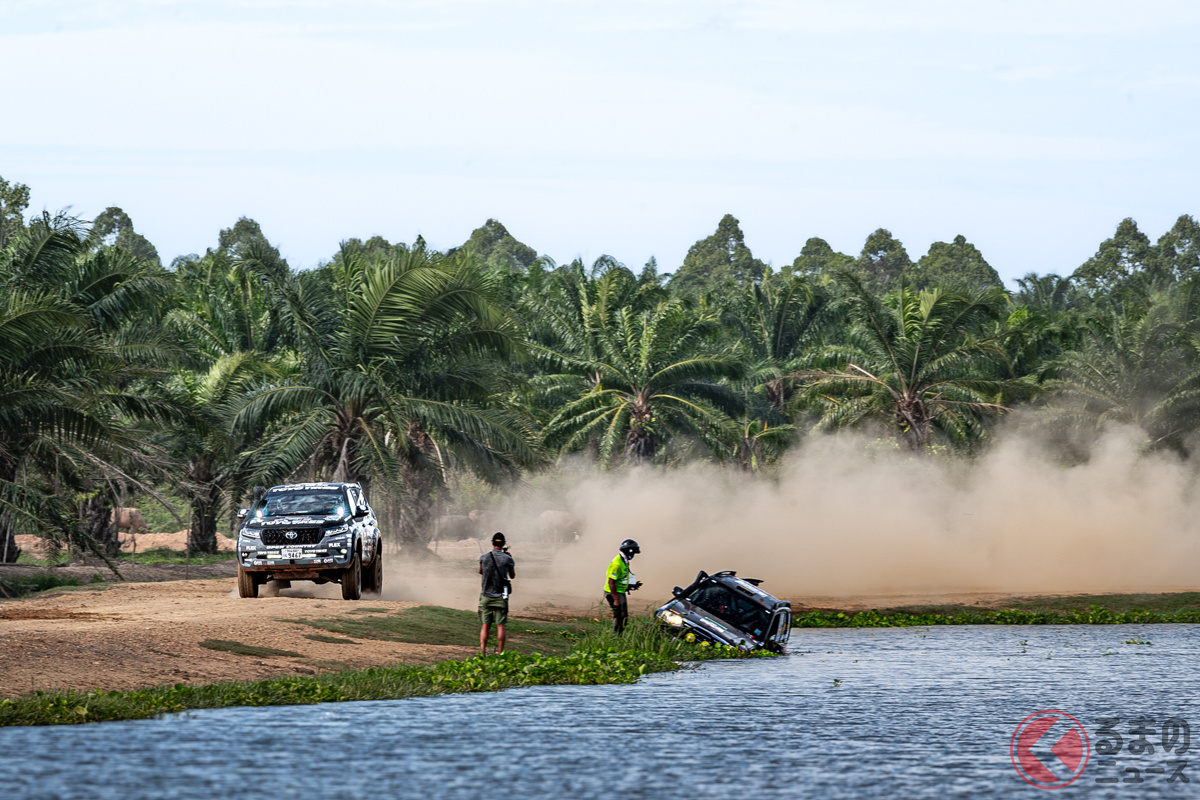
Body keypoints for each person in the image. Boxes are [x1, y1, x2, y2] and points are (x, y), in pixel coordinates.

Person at [478, 532, 515, 656]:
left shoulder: (484, 557)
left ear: (492, 543)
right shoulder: (508, 559)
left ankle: (482, 650)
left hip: (486, 595)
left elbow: (480, 571)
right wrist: (508, 558)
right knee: (500, 626)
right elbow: (513, 576)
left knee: (485, 625)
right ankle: (500, 652)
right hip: (501, 596)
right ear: (503, 544)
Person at [603, 538, 643, 634]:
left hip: (620, 592)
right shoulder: (617, 564)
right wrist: (616, 599)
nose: (633, 556)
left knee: (624, 616)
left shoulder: (624, 561)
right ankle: (614, 636)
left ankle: (619, 634)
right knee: (619, 616)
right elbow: (611, 582)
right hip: (613, 593)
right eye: (633, 553)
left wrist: (630, 586)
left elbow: (621, 578)